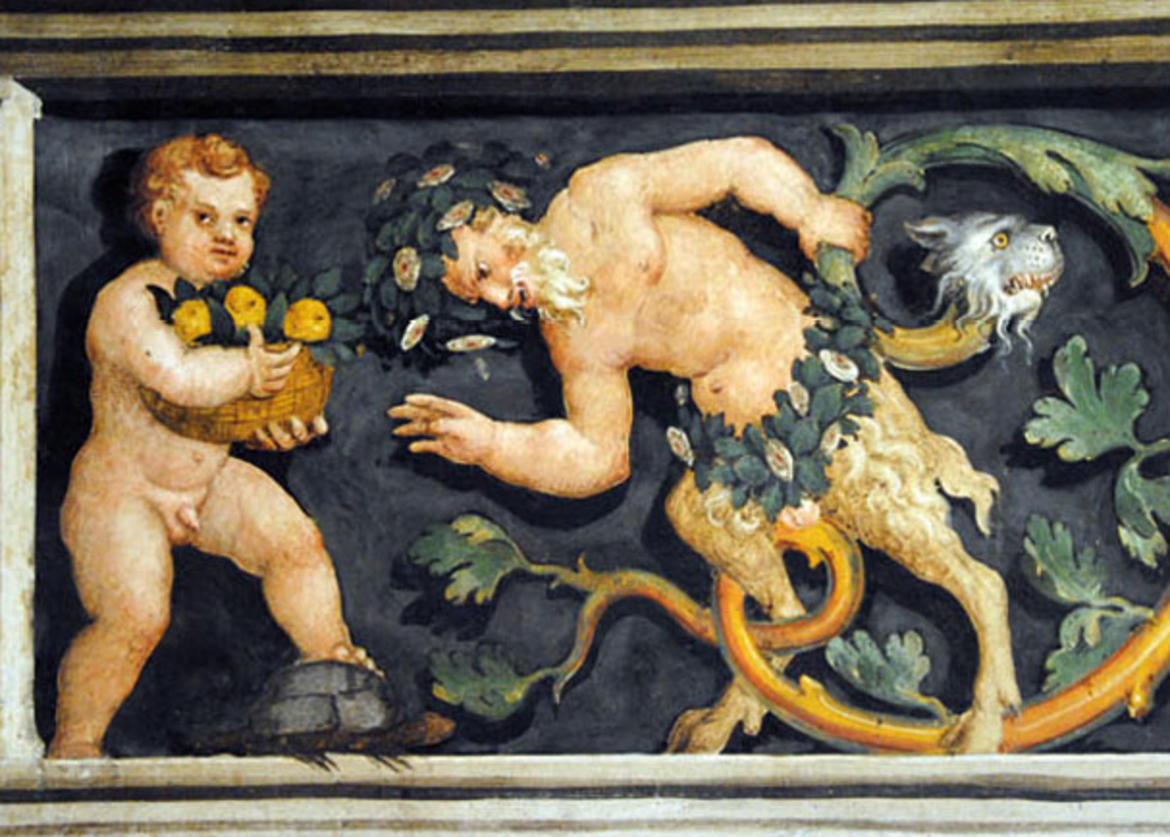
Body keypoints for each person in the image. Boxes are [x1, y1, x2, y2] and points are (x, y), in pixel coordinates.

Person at [390, 136, 1021, 753]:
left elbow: (733, 164)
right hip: (743, 444)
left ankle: (994, 678)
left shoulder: (600, 195)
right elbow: (598, 457)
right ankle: (772, 650)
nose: (501, 295)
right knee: (693, 511)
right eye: (480, 295)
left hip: (809, 377)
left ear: (493, 217)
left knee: (906, 534)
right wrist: (492, 443)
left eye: (484, 270)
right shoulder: (570, 336)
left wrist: (808, 211)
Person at [49, 134, 375, 759]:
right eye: (205, 217)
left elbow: (216, 417)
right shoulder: (130, 300)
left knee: (295, 543)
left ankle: (334, 668)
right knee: (134, 617)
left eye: (242, 221)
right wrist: (251, 373)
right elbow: (179, 380)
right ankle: (75, 743)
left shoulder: (233, 309)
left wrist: (274, 422)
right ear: (159, 216)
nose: (227, 235)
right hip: (124, 493)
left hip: (204, 482)